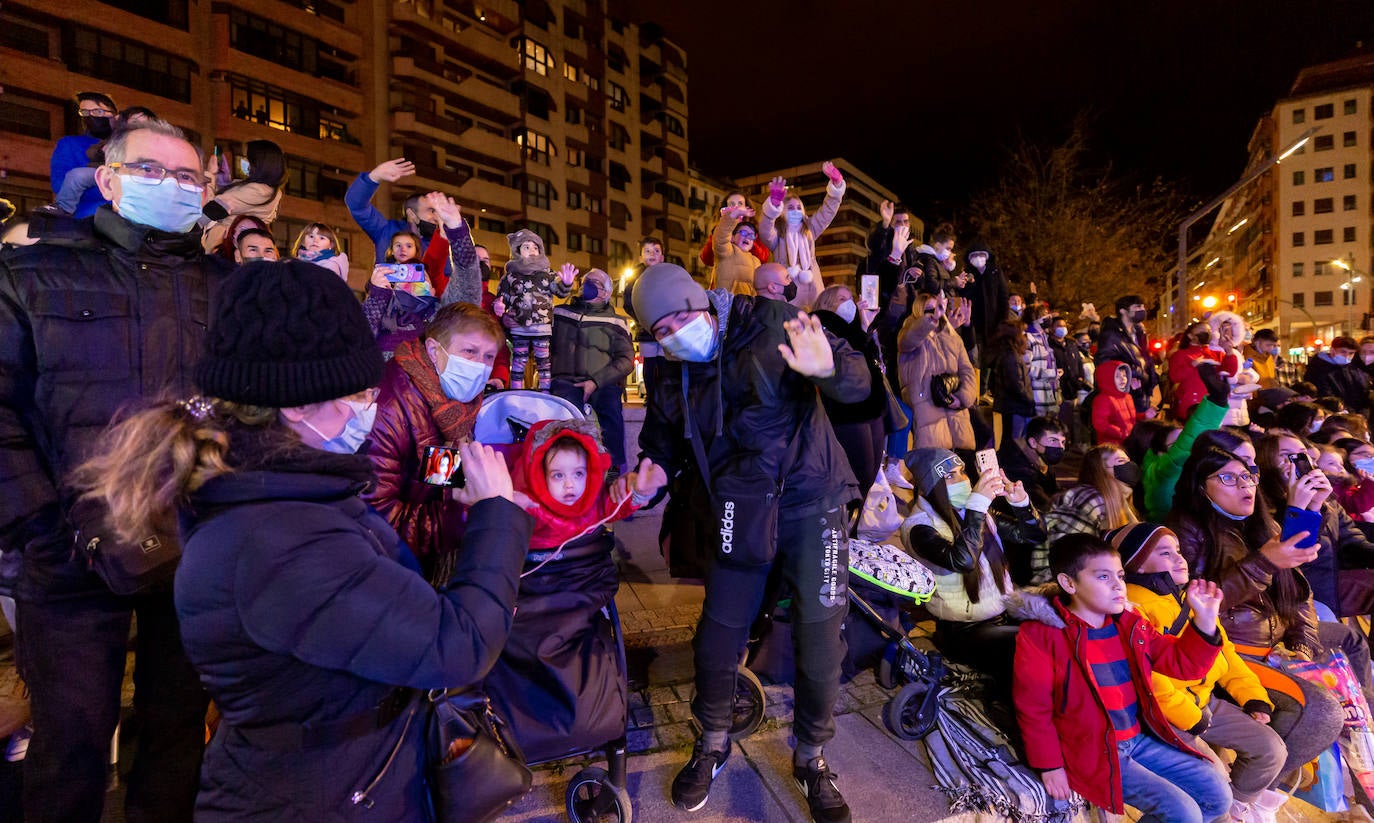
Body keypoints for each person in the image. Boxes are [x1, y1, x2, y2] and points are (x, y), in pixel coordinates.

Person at [73, 258, 533, 819]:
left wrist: (455, 490)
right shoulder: (278, 537)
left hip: (343, 778)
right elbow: (457, 646)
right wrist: (492, 516)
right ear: (295, 404)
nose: (366, 408)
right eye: (357, 394)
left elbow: (392, 495)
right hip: (317, 796)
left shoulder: (280, 490)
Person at [1, 117, 231, 822]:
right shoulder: (34, 272)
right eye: (152, 171)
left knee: (174, 737)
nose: (172, 186)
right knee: (71, 743)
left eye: (188, 176)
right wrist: (46, 527)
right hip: (68, 554)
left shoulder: (224, 286)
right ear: (108, 180)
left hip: (193, 552)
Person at [633, 263, 869, 822]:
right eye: (661, 330)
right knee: (718, 635)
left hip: (813, 501)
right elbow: (662, 440)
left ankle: (811, 756)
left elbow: (859, 383)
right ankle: (712, 741)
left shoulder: (772, 320)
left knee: (819, 634)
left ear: (704, 304)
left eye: (683, 319)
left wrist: (828, 368)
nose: (675, 335)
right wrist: (653, 470)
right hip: (739, 504)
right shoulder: (671, 367)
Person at [1013, 533, 1232, 822]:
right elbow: (1033, 708)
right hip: (1094, 749)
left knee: (1218, 795)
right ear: (1069, 583)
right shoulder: (1042, 635)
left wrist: (1204, 621)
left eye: (1119, 575)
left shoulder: (1129, 624)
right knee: (1183, 812)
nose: (1118, 585)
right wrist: (1050, 765)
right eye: (1103, 577)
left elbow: (1182, 665)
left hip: (1137, 739)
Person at [1113, 522, 1301, 823]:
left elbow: (1225, 653)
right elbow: (1152, 681)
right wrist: (1191, 717)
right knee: (1210, 787)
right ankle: (1223, 813)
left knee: (1271, 749)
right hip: (1166, 715)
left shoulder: (1187, 596)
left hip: (1202, 702)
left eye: (1178, 550)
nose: (1179, 558)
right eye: (1165, 553)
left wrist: (1252, 695)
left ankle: (1238, 808)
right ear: (1136, 562)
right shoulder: (1132, 609)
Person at [1169, 443, 1374, 702]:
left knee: (1349, 640)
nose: (1244, 485)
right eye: (1228, 478)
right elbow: (1189, 606)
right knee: (1324, 711)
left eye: (1247, 476)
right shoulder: (1185, 530)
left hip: (1279, 637)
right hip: (1237, 648)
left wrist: (1302, 647)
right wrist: (1265, 562)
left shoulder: (1261, 523)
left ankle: (1364, 727)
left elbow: (1299, 594)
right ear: (1200, 487)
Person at [366, 302, 505, 583]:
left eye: (489, 356)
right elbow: (375, 520)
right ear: (433, 350)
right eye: (469, 351)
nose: (480, 366)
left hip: (422, 561)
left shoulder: (450, 404)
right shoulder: (391, 405)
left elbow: (431, 472)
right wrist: (463, 515)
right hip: (391, 572)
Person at [902, 448, 1042, 688]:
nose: (962, 480)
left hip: (1003, 612)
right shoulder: (919, 527)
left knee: (1054, 631)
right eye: (949, 476)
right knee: (1026, 647)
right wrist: (977, 505)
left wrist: (1020, 503)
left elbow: (1031, 536)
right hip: (963, 630)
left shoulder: (975, 511)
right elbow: (963, 561)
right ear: (927, 486)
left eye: (963, 472)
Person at [1256, 432, 1374, 628]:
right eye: (1285, 456)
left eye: (1302, 454)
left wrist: (1319, 503)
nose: (1296, 462)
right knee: (1348, 642)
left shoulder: (1328, 501)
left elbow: (1353, 544)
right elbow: (1295, 558)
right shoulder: (1261, 505)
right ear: (1267, 463)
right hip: (1292, 598)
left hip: (1329, 585)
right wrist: (1303, 508)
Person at [511, 419, 666, 547]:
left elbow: (616, 502)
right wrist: (511, 507)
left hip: (586, 568)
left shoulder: (593, 502)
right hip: (542, 571)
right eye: (558, 475)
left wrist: (638, 492)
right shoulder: (533, 506)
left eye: (578, 474)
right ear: (541, 476)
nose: (569, 484)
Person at [551, 269, 635, 472]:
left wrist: (596, 381)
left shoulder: (617, 322)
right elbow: (533, 334)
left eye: (596, 282)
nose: (587, 284)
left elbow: (626, 360)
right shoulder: (560, 313)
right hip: (566, 381)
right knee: (564, 414)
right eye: (586, 280)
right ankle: (563, 466)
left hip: (602, 383)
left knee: (610, 412)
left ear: (607, 293)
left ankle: (614, 468)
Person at [812, 284, 887, 497]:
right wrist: (860, 330)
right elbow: (848, 361)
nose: (850, 303)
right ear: (827, 302)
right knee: (858, 475)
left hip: (871, 409)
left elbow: (871, 361)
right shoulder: (821, 323)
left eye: (850, 298)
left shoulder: (854, 329)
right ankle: (846, 524)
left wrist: (865, 326)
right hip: (847, 412)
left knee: (870, 474)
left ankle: (855, 524)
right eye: (842, 298)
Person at [1140, 363, 1230, 522]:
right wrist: (1217, 401)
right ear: (1160, 453)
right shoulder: (1159, 474)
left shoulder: (1193, 476)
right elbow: (1184, 449)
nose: (1190, 448)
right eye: (1176, 444)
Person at [1042, 444, 1139, 582]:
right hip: (1066, 585)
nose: (1129, 467)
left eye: (1128, 461)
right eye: (1121, 462)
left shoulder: (1120, 502)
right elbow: (1069, 558)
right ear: (1100, 470)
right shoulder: (1087, 501)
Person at [758, 162, 846, 309]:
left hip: (813, 288)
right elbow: (765, 230)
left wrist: (836, 188)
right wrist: (772, 206)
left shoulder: (810, 229)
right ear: (782, 211)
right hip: (788, 290)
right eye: (790, 207)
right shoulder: (777, 234)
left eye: (799, 207)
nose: (795, 211)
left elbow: (827, 212)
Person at [898, 292, 977, 454]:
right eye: (929, 309)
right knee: (934, 469)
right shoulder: (909, 331)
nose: (935, 313)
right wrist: (930, 320)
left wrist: (962, 398)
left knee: (961, 471)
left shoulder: (952, 337)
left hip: (956, 413)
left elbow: (967, 371)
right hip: (927, 412)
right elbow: (909, 340)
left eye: (938, 308)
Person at [495, 228, 573, 391]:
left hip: (541, 326)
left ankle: (545, 391)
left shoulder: (547, 274)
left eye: (535, 247)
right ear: (517, 251)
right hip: (519, 327)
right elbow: (503, 296)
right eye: (526, 247)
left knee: (543, 361)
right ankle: (517, 391)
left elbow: (558, 291)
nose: (532, 251)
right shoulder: (510, 276)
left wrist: (566, 283)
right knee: (518, 361)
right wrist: (499, 306)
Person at [345, 157, 445, 267]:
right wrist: (374, 176)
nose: (436, 216)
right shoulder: (386, 230)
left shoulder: (441, 243)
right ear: (411, 214)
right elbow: (357, 206)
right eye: (431, 211)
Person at [361, 230, 444, 359]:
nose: (403, 249)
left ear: (417, 250)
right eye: (398, 245)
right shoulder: (384, 272)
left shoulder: (423, 271)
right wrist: (376, 286)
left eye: (409, 246)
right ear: (392, 250)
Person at [200, 140, 285, 254]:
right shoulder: (269, 190)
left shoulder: (258, 191)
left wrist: (210, 175)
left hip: (221, 247)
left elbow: (210, 209)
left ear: (258, 163)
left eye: (246, 158)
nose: (243, 161)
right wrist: (223, 182)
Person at [48, 92, 117, 219]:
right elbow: (60, 185)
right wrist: (113, 193)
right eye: (85, 112)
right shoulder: (69, 144)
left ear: (114, 115)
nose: (90, 116)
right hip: (85, 220)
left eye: (97, 111)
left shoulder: (127, 144)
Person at [1095, 294, 1158, 417]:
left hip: (1141, 391)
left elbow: (1145, 359)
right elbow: (1104, 363)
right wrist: (1130, 375)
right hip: (1126, 392)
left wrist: (1152, 380)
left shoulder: (1139, 333)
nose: (1142, 310)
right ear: (1123, 311)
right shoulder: (1111, 335)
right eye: (1137, 307)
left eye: (1143, 307)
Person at [623, 238, 668, 403]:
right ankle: (651, 395)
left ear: (662, 256)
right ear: (641, 257)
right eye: (647, 251)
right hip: (646, 328)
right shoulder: (636, 277)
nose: (652, 254)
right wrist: (641, 318)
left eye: (656, 251)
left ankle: (663, 396)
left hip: (666, 327)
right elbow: (628, 301)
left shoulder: (668, 274)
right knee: (649, 363)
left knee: (664, 363)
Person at [998, 416, 1066, 512]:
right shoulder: (1016, 464)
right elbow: (1040, 504)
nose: (1060, 447)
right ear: (1033, 442)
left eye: (1063, 442)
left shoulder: (1040, 457)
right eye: (1053, 440)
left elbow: (1053, 489)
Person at [989, 322, 1035, 445]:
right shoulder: (1011, 357)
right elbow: (1016, 385)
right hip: (1015, 408)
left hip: (1015, 407)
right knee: (1013, 443)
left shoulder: (1010, 354)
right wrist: (1030, 400)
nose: (1026, 337)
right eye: (1023, 333)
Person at [698, 192, 769, 272]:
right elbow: (706, 259)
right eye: (732, 204)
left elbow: (763, 258)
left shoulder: (753, 232)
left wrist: (745, 237)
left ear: (747, 208)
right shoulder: (719, 231)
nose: (736, 208)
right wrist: (723, 227)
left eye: (740, 204)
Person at [1167, 321, 1222, 420]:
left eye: (1209, 330)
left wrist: (1230, 351)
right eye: (1202, 330)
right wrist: (1192, 365)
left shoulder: (1217, 354)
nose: (1207, 333)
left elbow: (1230, 373)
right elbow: (1174, 377)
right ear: (1190, 335)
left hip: (1212, 406)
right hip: (1190, 406)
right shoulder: (1180, 355)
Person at [1304, 335, 1371, 416]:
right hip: (1334, 416)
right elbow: (1326, 397)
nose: (1347, 356)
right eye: (1343, 352)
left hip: (1356, 417)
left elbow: (1362, 395)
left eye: (1351, 353)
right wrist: (1351, 414)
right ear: (1332, 350)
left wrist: (1362, 414)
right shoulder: (1318, 369)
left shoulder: (1352, 369)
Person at [710, 203, 761, 294]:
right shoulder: (727, 251)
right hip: (727, 305)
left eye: (751, 235)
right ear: (732, 237)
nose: (747, 237)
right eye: (743, 233)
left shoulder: (756, 261)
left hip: (749, 306)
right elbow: (721, 236)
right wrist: (734, 215)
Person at [1025, 305, 1061, 419]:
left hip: (1049, 396)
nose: (1048, 317)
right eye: (1043, 314)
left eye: (1048, 313)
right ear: (1033, 318)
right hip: (1036, 399)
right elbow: (1026, 368)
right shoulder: (1028, 338)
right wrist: (1051, 374)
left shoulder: (1044, 338)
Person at [1091, 361, 1137, 445]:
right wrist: (1121, 433)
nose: (1123, 378)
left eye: (1124, 375)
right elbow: (1100, 424)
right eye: (1117, 376)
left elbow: (1130, 419)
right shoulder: (1103, 399)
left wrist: (1145, 415)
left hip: (1127, 443)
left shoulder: (1127, 397)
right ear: (1108, 378)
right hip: (1110, 446)